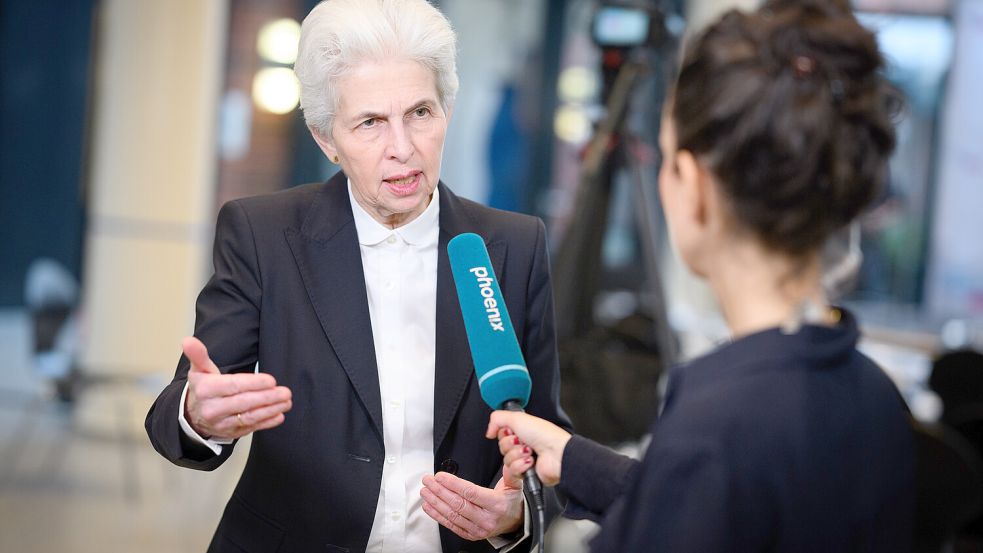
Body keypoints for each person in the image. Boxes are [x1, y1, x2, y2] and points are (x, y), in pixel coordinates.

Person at [488, 2, 914, 552]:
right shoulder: (874, 396)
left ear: (692, 185)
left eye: (667, 157)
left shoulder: (716, 427)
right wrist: (575, 461)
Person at [144, 1, 569, 551]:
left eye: (420, 112)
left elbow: (552, 441)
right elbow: (178, 411)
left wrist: (516, 514)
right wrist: (198, 415)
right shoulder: (263, 234)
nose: (402, 147)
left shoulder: (513, 246)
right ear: (327, 140)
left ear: (447, 112)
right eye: (370, 122)